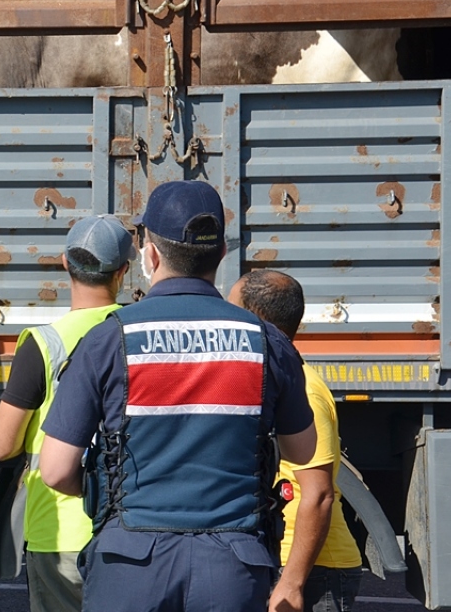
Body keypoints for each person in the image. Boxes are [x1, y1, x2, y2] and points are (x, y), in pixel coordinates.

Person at [37, 180, 318, 612]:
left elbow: (55, 471)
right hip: (233, 567)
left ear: (150, 254)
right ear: (222, 255)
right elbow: (304, 451)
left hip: (129, 567)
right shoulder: (266, 341)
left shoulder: (108, 339)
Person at [0, 215, 133, 612]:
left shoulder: (43, 344)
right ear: (123, 271)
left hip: (57, 531)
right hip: (131, 530)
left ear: (64, 263)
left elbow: (2, 447)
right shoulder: (137, 332)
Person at [229, 270, 363, 612]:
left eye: (232, 311)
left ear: (253, 319)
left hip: (313, 570)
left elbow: (319, 493)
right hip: (287, 560)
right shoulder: (278, 379)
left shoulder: (303, 387)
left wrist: (291, 583)